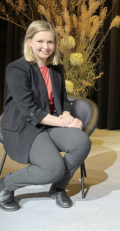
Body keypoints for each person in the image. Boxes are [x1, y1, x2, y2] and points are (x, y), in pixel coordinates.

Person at [0, 20, 91, 211]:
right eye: (40, 41)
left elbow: (64, 100)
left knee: (81, 141)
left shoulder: (57, 68)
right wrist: (64, 122)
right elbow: (29, 111)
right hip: (24, 127)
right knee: (53, 168)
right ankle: (5, 185)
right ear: (29, 41)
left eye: (50, 42)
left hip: (49, 125)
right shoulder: (17, 69)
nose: (46, 47)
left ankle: (58, 188)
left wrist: (67, 114)